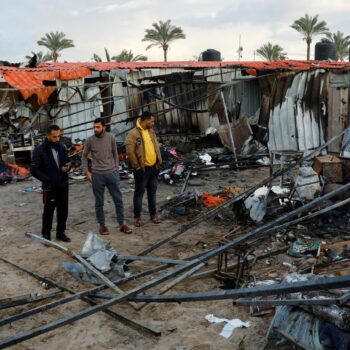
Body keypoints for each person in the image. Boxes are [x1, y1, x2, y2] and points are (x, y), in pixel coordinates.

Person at [82, 118, 132, 235]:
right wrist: (86, 172)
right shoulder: (90, 140)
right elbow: (84, 157)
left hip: (111, 174)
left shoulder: (111, 137)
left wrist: (115, 168)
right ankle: (102, 225)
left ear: (104, 127)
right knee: (99, 202)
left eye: (98, 127)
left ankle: (122, 224)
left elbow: (115, 153)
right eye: (94, 127)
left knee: (118, 200)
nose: (95, 129)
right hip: (97, 175)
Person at [30, 125, 71, 242]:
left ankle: (60, 233)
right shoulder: (39, 150)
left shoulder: (62, 147)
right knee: (49, 211)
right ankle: (46, 234)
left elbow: (68, 161)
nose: (57, 139)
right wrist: (48, 179)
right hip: (49, 187)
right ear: (48, 135)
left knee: (63, 210)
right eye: (54, 137)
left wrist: (67, 167)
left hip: (63, 184)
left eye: (59, 136)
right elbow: (33, 169)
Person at [125, 111, 162, 227]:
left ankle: (153, 214)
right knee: (139, 193)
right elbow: (130, 151)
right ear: (145, 120)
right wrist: (136, 166)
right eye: (152, 121)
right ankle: (137, 217)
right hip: (142, 169)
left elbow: (155, 146)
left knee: (152, 193)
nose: (153, 123)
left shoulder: (151, 131)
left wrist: (158, 161)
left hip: (154, 167)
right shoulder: (133, 134)